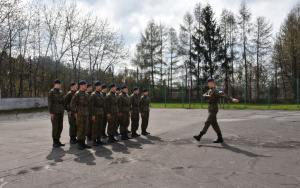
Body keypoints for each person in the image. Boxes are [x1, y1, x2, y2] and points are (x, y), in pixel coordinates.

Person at [194, 78, 239, 143]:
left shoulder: (216, 90)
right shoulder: (210, 90)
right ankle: (220, 138)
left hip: (214, 108)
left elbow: (224, 95)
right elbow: (203, 95)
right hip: (210, 108)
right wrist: (206, 95)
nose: (207, 84)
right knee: (214, 124)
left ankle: (199, 136)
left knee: (208, 122)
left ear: (212, 83)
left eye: (208, 83)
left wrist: (232, 99)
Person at [70, 80, 91, 150]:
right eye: (85, 85)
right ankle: (79, 143)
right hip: (80, 113)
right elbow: (72, 105)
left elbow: (88, 104)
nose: (86, 86)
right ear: (81, 86)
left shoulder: (86, 94)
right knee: (80, 128)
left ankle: (83, 142)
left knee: (85, 128)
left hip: (86, 113)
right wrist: (75, 112)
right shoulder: (77, 94)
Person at [48, 79, 65, 148]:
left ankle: (58, 140)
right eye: (57, 84)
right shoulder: (51, 92)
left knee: (60, 126)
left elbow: (63, 102)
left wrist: (63, 111)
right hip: (54, 111)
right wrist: (51, 112)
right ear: (55, 84)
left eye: (59, 84)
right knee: (55, 126)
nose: (59, 85)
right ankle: (55, 141)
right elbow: (50, 102)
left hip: (60, 111)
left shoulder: (61, 92)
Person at [90, 81, 106, 146]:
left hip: (100, 112)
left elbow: (103, 104)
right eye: (99, 85)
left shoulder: (101, 94)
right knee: (95, 127)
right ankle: (94, 140)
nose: (100, 86)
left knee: (100, 126)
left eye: (100, 85)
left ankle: (99, 139)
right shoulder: (93, 95)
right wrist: (92, 115)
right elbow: (91, 106)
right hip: (95, 112)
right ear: (96, 86)